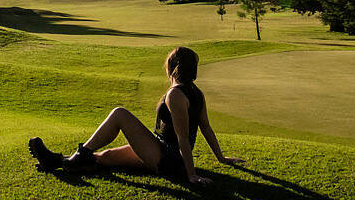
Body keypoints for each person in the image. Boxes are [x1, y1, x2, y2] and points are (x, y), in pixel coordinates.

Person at [27, 46, 243, 185]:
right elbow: (206, 128)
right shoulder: (196, 92)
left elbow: (183, 138)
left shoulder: (176, 94)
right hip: (161, 150)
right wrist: (221, 158)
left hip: (167, 158)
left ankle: (77, 157)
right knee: (106, 157)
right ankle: (56, 161)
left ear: (173, 68)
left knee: (119, 114)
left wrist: (191, 175)